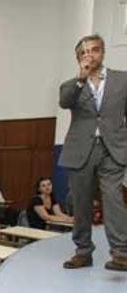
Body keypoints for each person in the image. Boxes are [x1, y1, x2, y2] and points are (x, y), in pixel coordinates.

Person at [59, 34, 127, 270]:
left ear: (103, 52)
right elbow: (65, 102)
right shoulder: (71, 85)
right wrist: (80, 78)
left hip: (112, 148)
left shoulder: (122, 80)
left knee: (114, 199)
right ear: (78, 58)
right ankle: (83, 252)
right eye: (84, 52)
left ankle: (121, 252)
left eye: (94, 50)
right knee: (81, 203)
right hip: (81, 150)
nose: (90, 55)